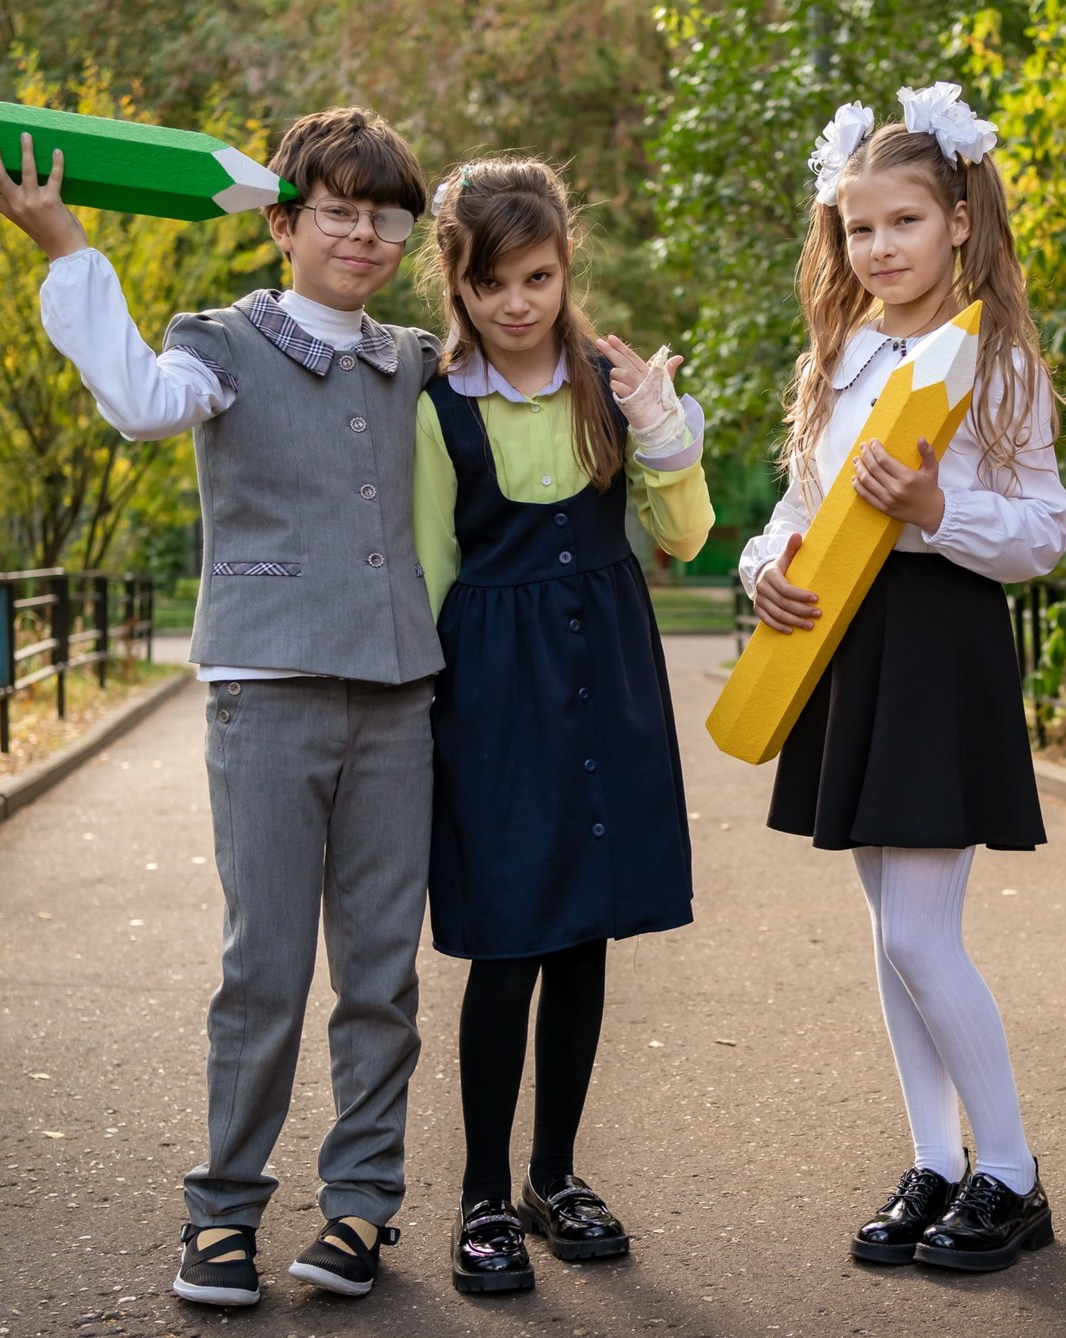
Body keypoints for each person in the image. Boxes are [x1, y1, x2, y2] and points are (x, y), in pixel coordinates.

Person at [0, 108, 442, 1305]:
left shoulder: (416, 357)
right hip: (264, 698)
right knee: (263, 969)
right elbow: (138, 401)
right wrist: (65, 241)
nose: (364, 236)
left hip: (397, 702)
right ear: (282, 220)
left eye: (386, 217)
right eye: (337, 210)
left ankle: (360, 1210)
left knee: (381, 973)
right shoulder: (220, 343)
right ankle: (219, 1214)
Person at [738, 84, 1066, 1273]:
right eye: (858, 229)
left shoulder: (998, 360)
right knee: (890, 935)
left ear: (961, 226)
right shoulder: (840, 350)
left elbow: (1047, 532)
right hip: (843, 647)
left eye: (903, 225)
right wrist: (763, 565)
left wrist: (938, 510)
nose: (879, 249)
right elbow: (796, 505)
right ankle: (936, 1160)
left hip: (940, 649)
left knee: (925, 935)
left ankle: (1014, 1176)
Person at [414, 156, 714, 1295]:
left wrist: (661, 425)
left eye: (537, 276)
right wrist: (433, 720)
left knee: (583, 936)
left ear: (562, 267)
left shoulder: (609, 383)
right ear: (458, 280)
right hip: (493, 698)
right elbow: (434, 569)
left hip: (610, 679)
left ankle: (554, 1175)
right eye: (492, 283)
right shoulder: (437, 408)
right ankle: (482, 1193)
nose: (517, 303)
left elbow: (682, 534)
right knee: (507, 945)